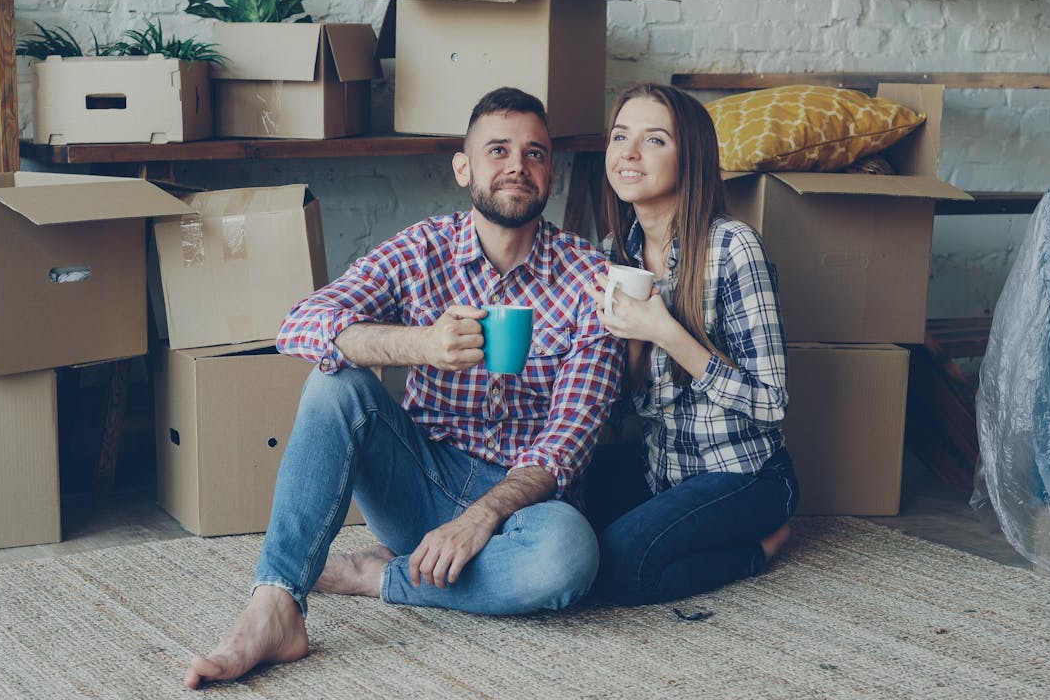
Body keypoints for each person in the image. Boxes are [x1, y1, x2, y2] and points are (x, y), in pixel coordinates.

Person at [184, 87, 624, 689]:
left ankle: (381, 577)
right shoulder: (421, 249)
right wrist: (418, 345)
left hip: (520, 503)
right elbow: (300, 324)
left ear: (550, 173)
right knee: (334, 384)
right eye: (498, 150)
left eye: (535, 153)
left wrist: (481, 517)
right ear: (463, 167)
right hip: (417, 481)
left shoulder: (587, 276)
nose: (517, 165)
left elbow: (569, 439)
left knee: (570, 557)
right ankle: (277, 603)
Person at [582, 83, 799, 606]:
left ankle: (760, 549)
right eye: (620, 137)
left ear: (692, 157)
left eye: (654, 140)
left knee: (618, 569)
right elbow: (632, 402)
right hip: (662, 468)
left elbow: (771, 404)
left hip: (744, 475)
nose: (629, 153)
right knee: (555, 526)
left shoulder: (733, 247)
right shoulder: (617, 251)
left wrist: (665, 332)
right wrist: (629, 345)